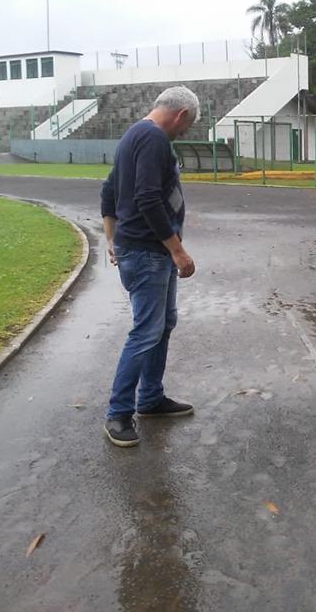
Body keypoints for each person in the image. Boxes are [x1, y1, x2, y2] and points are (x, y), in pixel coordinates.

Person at [99, 86, 200, 448]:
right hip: (149, 252)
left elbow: (109, 190)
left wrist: (111, 238)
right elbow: (146, 197)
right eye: (184, 129)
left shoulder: (132, 135)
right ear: (181, 115)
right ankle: (119, 413)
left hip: (138, 248)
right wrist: (177, 250)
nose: (181, 134)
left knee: (161, 324)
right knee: (146, 330)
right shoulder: (154, 138)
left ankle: (151, 399)